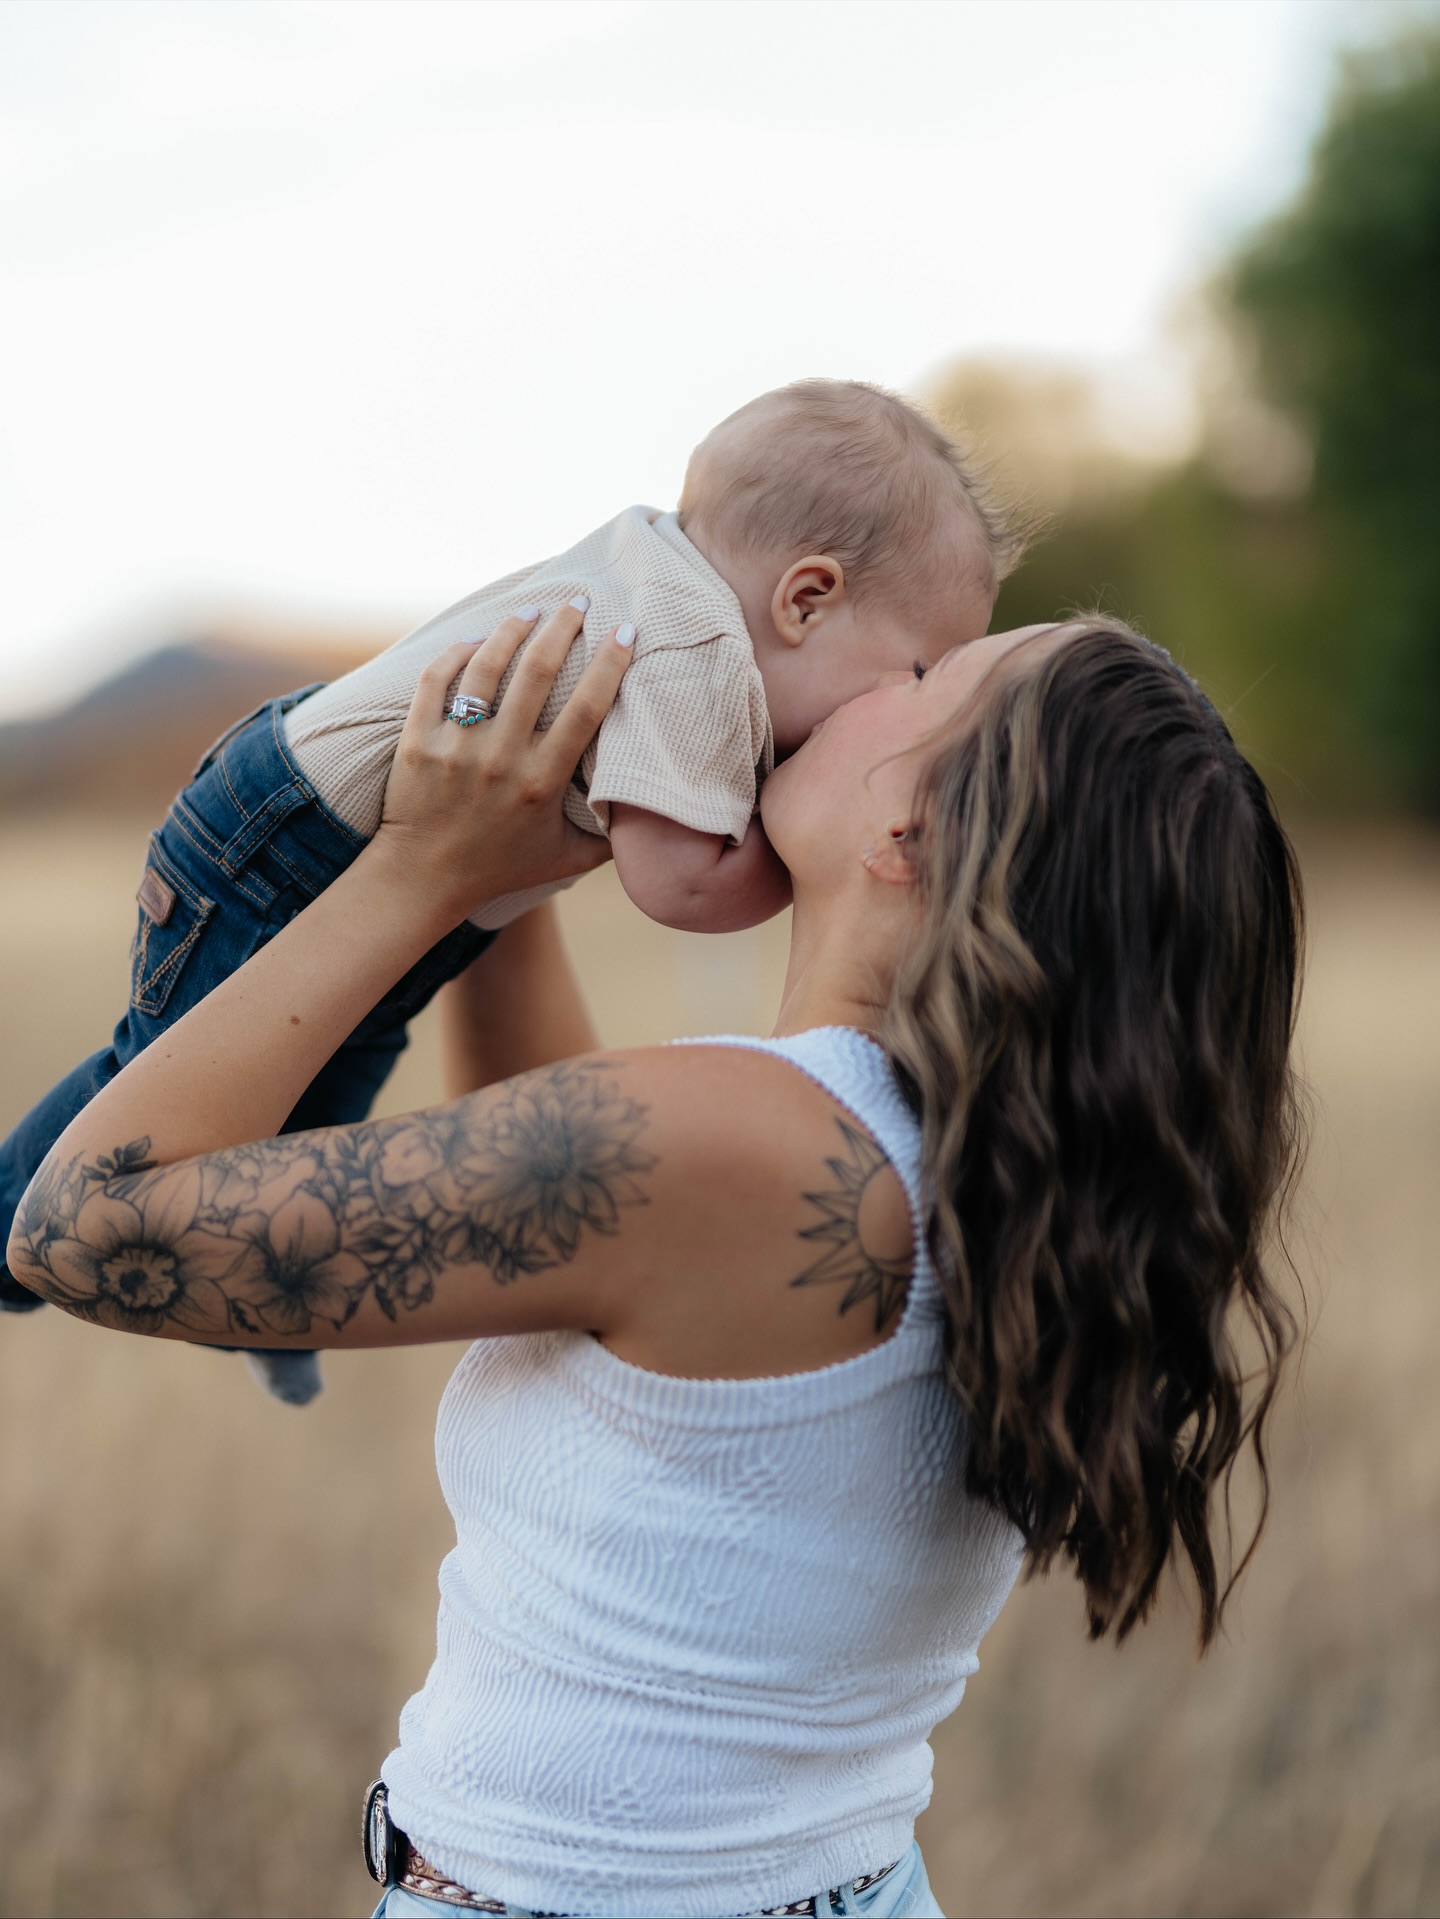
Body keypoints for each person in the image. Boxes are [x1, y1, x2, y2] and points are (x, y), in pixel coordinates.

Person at [7, 600, 1306, 1919]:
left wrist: (420, 874)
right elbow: (587, 1216)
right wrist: (506, 869)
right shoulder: (961, 1157)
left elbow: (82, 1226)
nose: (859, 680)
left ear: (907, 824)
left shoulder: (754, 1149)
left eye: (924, 678)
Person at [0, 378, 1018, 1407]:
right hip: (289, 838)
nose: (908, 711)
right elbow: (681, 886)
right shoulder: (699, 652)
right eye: (919, 674)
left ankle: (255, 1267)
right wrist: (786, 835)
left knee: (333, 1072)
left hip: (336, 830)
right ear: (805, 596)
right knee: (165, 1070)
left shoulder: (664, 582)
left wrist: (450, 871)